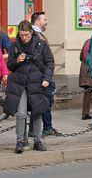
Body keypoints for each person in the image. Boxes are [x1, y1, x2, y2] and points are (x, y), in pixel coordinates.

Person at [4, 21, 54, 153]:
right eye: (21, 35)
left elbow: (49, 63)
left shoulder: (41, 44)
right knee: (20, 114)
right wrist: (17, 61)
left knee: (37, 113)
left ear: (31, 33)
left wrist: (47, 79)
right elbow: (9, 65)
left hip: (37, 83)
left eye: (26, 35)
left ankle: (37, 141)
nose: (24, 38)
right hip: (19, 84)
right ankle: (20, 141)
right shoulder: (14, 45)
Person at [31, 11, 55, 136]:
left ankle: (39, 129)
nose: (46, 22)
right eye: (44, 19)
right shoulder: (37, 36)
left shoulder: (39, 35)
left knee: (38, 102)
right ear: (37, 22)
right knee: (44, 102)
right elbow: (43, 59)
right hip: (42, 76)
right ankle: (46, 128)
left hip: (42, 74)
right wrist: (46, 75)